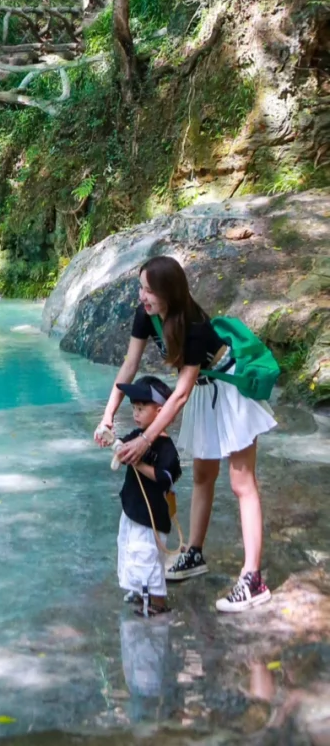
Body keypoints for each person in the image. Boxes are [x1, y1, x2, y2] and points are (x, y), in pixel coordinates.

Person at [94, 255, 277, 614]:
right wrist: (108, 416)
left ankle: (253, 579)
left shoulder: (192, 326)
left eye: (149, 290)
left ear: (169, 294)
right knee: (203, 476)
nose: (142, 296)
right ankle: (193, 552)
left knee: (242, 483)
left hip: (228, 387)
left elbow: (178, 396)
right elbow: (129, 365)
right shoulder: (145, 315)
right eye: (140, 288)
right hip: (206, 391)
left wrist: (146, 440)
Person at [109, 376, 181, 617]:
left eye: (141, 409)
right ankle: (138, 590)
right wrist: (112, 440)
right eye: (134, 408)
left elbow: (166, 478)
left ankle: (158, 602)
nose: (135, 414)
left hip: (150, 516)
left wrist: (136, 463)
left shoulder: (166, 448)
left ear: (161, 412)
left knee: (147, 556)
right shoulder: (136, 435)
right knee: (129, 548)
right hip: (131, 507)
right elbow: (122, 444)